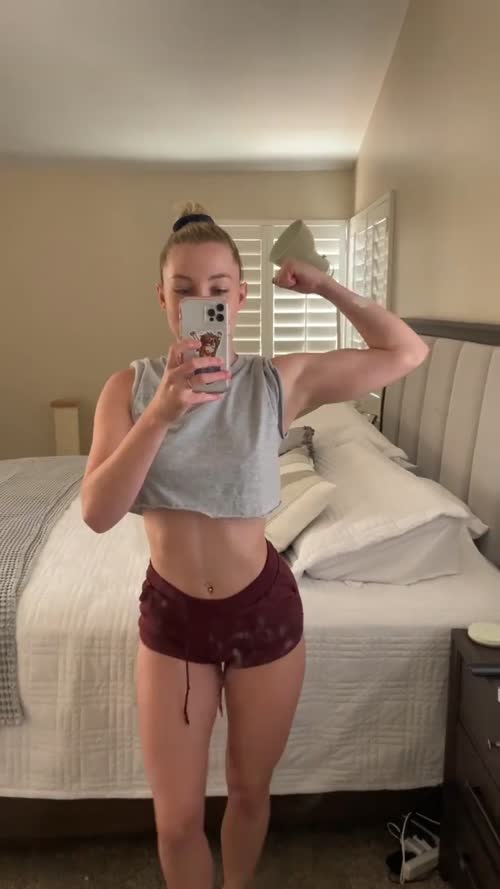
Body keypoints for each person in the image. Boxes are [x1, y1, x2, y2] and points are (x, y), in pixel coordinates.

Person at [81, 202, 429, 889]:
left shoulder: (277, 382)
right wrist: (161, 414)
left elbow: (406, 352)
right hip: (174, 620)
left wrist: (325, 286)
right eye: (184, 290)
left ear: (240, 297)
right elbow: (97, 512)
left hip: (263, 612)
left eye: (218, 289)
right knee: (176, 822)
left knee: (248, 791)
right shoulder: (128, 388)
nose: (202, 303)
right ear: (163, 299)